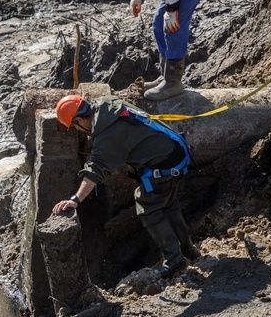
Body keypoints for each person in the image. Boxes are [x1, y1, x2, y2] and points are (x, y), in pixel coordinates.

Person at [51, 94, 200, 277]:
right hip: (174, 149)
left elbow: (94, 171)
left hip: (165, 165)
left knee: (148, 208)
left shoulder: (107, 135)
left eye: (75, 126)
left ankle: (174, 259)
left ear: (80, 120)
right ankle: (189, 250)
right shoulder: (107, 104)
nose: (78, 130)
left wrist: (76, 199)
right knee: (168, 204)